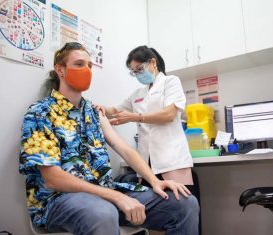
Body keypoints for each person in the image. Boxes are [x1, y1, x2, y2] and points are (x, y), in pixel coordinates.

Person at [19, 42, 199, 235]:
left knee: (185, 203)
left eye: (89, 66)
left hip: (105, 194)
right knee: (103, 213)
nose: (87, 70)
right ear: (60, 70)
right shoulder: (40, 112)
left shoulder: (93, 113)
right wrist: (115, 197)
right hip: (60, 199)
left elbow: (126, 150)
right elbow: (52, 179)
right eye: (79, 64)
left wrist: (155, 182)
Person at [103, 46, 196, 190]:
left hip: (172, 161)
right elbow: (114, 110)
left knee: (180, 205)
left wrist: (134, 117)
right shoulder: (138, 94)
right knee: (154, 209)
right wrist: (97, 108)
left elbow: (169, 114)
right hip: (146, 165)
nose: (138, 74)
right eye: (134, 72)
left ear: (153, 62)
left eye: (139, 69)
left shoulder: (170, 82)